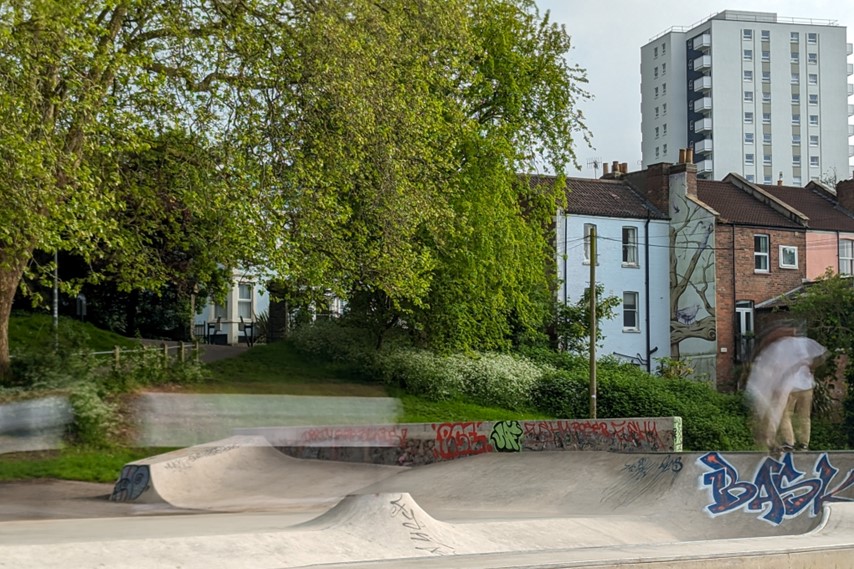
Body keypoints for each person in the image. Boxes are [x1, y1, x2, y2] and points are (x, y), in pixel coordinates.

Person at [745, 326, 827, 455]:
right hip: (805, 385)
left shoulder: (780, 347)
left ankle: (789, 442)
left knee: (785, 415)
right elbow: (822, 354)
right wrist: (813, 366)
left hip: (789, 387)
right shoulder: (802, 344)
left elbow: (776, 368)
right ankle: (803, 444)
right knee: (803, 417)